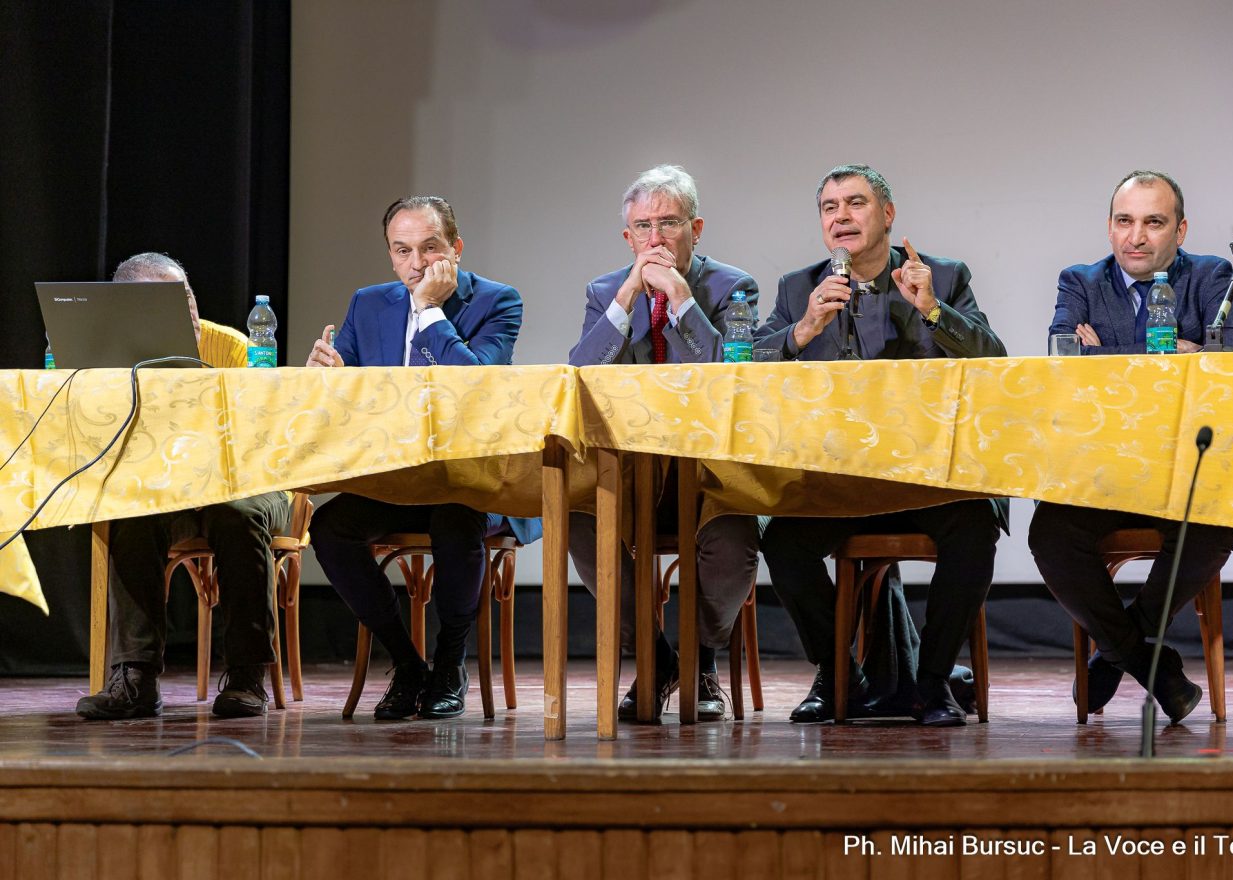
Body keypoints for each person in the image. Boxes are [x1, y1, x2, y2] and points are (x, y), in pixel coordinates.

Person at [755, 164, 1007, 727]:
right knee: (783, 541)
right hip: (839, 477)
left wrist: (933, 310)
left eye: (855, 204)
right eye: (829, 207)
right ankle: (839, 673)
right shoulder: (800, 288)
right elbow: (746, 367)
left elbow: (993, 357)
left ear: (887, 216)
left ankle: (933, 680)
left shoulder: (942, 275)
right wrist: (802, 330)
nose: (841, 216)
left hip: (927, 474)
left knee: (975, 527)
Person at [1029, 170, 1233, 723]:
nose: (1138, 236)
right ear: (1109, 228)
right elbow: (1062, 360)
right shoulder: (1079, 281)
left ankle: (1115, 655)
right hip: (1100, 470)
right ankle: (1154, 667)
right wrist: (1176, 350)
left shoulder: (1210, 275)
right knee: (1050, 533)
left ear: (1179, 229)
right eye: (1125, 221)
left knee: (1212, 529)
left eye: (1154, 222)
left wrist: (1107, 351)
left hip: (1180, 472)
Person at [305, 196, 540, 721]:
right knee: (330, 530)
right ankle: (408, 664)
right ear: (390, 255)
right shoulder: (369, 303)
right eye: (402, 250)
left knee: (457, 521)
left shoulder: (498, 301)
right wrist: (327, 375)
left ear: (455, 249)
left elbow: (474, 385)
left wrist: (430, 311)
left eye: (429, 249)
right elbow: (350, 398)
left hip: (468, 479)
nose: (416, 264)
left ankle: (450, 661)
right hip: (397, 479)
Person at [568, 165, 761, 721]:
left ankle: (697, 658)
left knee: (735, 533)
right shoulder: (605, 291)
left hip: (707, 467)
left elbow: (733, 377)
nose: (655, 239)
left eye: (669, 223)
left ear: (696, 228)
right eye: (643, 226)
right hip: (632, 467)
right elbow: (581, 371)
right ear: (627, 238)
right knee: (581, 517)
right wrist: (628, 296)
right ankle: (656, 658)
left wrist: (680, 299)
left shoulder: (733, 286)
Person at [76, 252, 291, 720]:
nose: (188, 311)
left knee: (236, 512)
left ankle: (246, 674)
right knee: (130, 515)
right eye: (169, 304)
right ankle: (135, 677)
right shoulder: (111, 362)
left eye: (187, 297)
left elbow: (269, 435)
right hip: (169, 489)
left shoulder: (236, 348)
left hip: (250, 481)